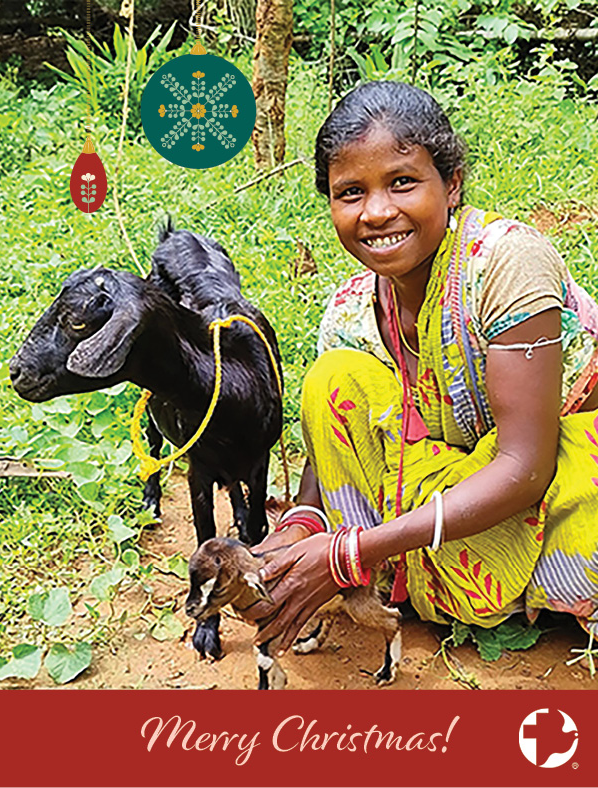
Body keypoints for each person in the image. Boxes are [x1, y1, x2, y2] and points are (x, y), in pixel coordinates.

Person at [250, 81, 598, 664]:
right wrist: (297, 531)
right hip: (453, 491)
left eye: (402, 182)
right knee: (334, 378)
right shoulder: (350, 310)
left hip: (550, 485)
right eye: (350, 192)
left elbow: (525, 466)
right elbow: (323, 460)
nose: (377, 212)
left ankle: (426, 565)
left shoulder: (507, 263)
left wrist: (347, 554)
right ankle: (406, 565)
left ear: (451, 182)